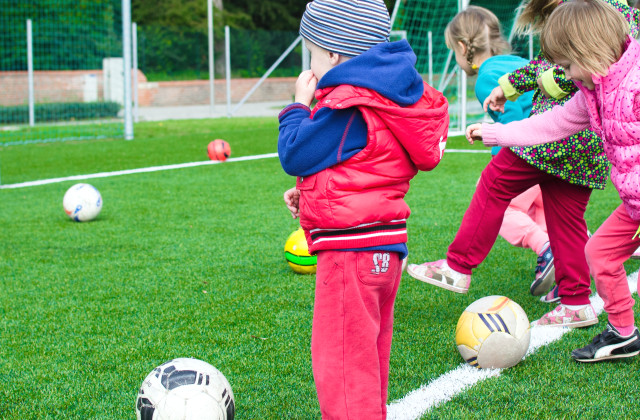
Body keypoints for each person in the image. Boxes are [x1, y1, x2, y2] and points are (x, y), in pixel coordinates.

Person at [407, 0, 639, 328]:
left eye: (569, 64)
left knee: (494, 181)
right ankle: (576, 302)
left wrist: (516, 95)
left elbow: (560, 76)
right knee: (566, 216)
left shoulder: (594, 18)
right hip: (584, 144)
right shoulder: (600, 17)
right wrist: (509, 95)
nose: (568, 69)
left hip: (561, 140)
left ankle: (458, 266)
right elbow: (557, 76)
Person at [277, 0, 449, 417]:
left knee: (341, 367)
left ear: (335, 52)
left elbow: (295, 153)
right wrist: (312, 193)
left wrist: (298, 105)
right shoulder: (385, 95)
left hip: (349, 252)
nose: (312, 65)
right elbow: (364, 164)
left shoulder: (350, 103)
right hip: (382, 248)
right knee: (366, 360)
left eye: (313, 52)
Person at [467, 0, 640, 362]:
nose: (565, 76)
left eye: (566, 66)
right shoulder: (593, 92)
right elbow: (550, 125)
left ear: (588, 50)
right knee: (598, 253)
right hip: (633, 204)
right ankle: (624, 334)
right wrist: (496, 133)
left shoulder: (634, 84)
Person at [443, 5, 553, 298]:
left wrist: (494, 144)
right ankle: (574, 258)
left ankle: (546, 248)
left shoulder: (487, 77)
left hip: (535, 153)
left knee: (497, 201)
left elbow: (516, 124)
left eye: (454, 51)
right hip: (558, 151)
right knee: (545, 213)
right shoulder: (516, 61)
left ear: (464, 47)